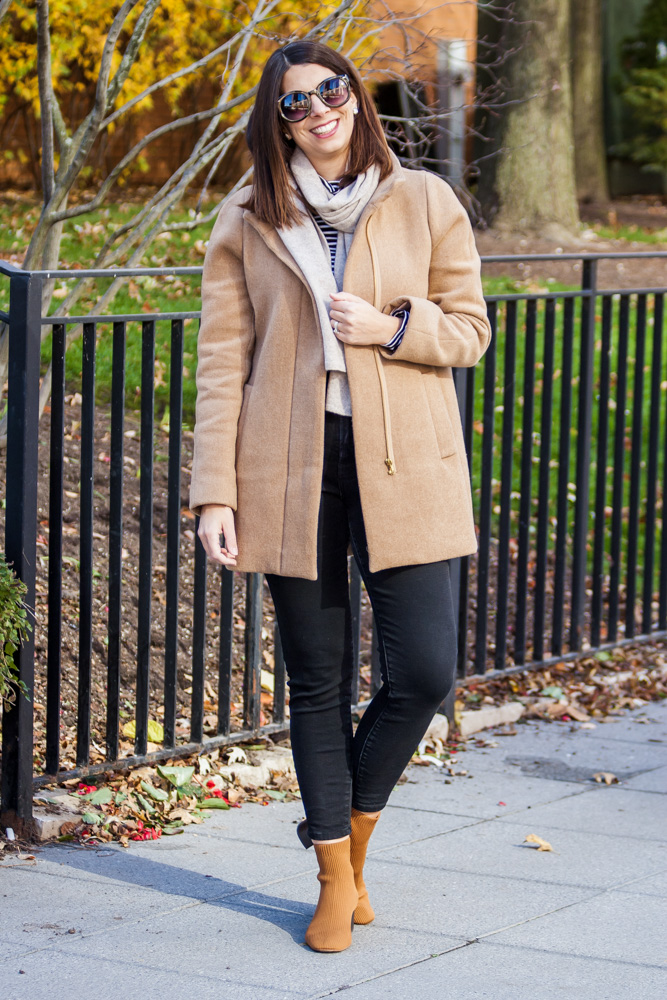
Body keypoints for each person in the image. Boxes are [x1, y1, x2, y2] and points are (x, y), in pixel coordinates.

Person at [190, 40, 491, 953]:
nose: (320, 109)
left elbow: (471, 330)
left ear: (356, 99)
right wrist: (214, 494)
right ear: (276, 121)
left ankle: (350, 844)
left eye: (332, 91)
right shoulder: (247, 217)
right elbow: (219, 364)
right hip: (289, 465)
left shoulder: (425, 199)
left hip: (410, 464)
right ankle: (333, 878)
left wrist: (392, 328)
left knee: (425, 674)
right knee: (317, 680)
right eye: (297, 103)